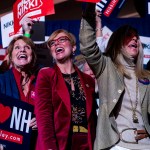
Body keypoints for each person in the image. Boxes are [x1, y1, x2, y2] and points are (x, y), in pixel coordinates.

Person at [80, 4, 150, 150]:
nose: (135, 39)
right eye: (129, 36)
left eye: (136, 37)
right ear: (118, 43)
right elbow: (88, 46)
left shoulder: (147, 77)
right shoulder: (107, 67)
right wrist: (88, 13)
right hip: (117, 145)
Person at [35, 29, 97, 150]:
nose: (56, 44)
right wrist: (49, 147)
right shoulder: (46, 75)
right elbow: (43, 117)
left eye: (62, 40)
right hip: (59, 143)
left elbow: (93, 118)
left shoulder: (88, 80)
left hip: (86, 143)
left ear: (73, 47)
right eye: (52, 43)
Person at [0, 35, 38, 150]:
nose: (22, 49)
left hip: (35, 144)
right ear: (10, 56)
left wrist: (40, 120)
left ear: (32, 55)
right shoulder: (2, 80)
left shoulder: (40, 83)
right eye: (17, 47)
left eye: (27, 47)